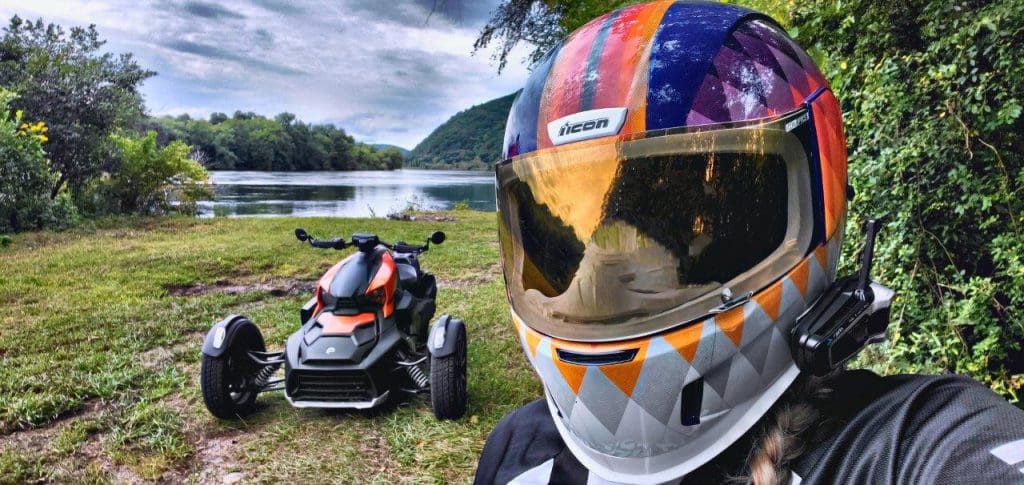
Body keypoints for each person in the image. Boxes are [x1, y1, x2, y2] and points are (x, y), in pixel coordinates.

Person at [475, 1, 1024, 484]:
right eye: (574, 243)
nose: (605, 275)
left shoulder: (909, 445)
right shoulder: (516, 450)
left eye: (692, 219)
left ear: (816, 208)